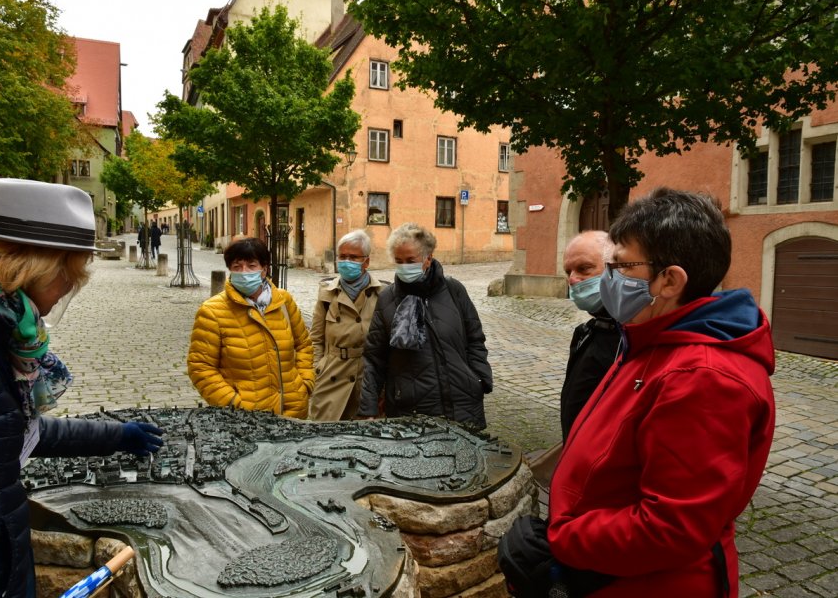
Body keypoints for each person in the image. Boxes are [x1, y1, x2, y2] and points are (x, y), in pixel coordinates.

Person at [499, 188, 776, 597]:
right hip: (610, 570)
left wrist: (562, 542)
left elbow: (671, 527)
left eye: (620, 266)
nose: (608, 278)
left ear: (670, 280)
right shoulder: (650, 337)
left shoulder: (703, 378)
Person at [0, 178, 164, 598]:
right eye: (69, 276)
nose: (66, 291)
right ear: (36, 266)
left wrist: (115, 435)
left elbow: (3, 431)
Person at [359, 222, 492, 429]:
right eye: (399, 261)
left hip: (462, 404)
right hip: (410, 409)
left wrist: (479, 380)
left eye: (410, 261)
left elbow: (475, 338)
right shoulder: (387, 299)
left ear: (428, 258)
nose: (404, 267)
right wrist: (369, 408)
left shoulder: (453, 290)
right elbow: (374, 358)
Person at [187, 237, 314, 418]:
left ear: (264, 269)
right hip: (247, 418)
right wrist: (234, 404)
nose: (244, 272)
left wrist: (305, 384)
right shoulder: (212, 311)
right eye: (237, 267)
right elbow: (201, 367)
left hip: (293, 410)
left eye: (251, 266)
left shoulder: (283, 301)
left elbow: (303, 345)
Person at [309, 230, 387, 420]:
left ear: (366, 262)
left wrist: (384, 386)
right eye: (342, 257)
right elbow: (316, 338)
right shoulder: (327, 292)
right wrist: (317, 369)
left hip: (367, 379)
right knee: (324, 433)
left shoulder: (383, 293)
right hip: (331, 375)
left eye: (353, 257)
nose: (346, 262)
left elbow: (387, 345)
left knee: (362, 435)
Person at [560, 230, 620, 442]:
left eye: (584, 268)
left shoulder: (631, 338)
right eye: (568, 271)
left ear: (616, 269)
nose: (572, 279)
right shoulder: (586, 332)